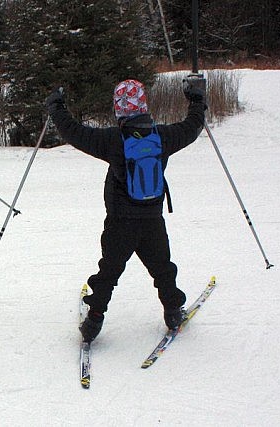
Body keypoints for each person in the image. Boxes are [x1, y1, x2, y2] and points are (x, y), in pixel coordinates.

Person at [45, 78, 207, 343]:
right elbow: (191, 128)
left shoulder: (112, 140)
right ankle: (173, 312)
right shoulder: (162, 136)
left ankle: (94, 320)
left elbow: (74, 132)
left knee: (109, 271)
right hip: (152, 221)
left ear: (118, 108)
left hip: (120, 222)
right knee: (163, 269)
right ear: (143, 104)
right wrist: (197, 101)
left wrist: (57, 107)